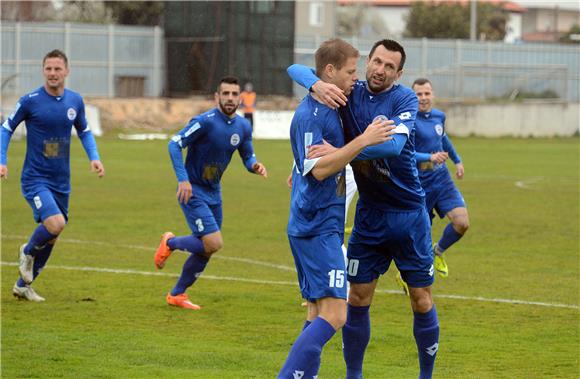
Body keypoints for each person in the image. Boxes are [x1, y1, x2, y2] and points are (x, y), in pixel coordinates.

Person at [288, 39, 440, 379]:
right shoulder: (348, 91)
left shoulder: (402, 99)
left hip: (408, 215)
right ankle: (353, 376)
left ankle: (425, 375)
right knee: (356, 297)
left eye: (390, 66)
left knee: (421, 299)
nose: (380, 70)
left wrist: (342, 151)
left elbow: (394, 145)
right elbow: (295, 69)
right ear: (368, 61)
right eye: (376, 61)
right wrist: (315, 83)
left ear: (399, 73)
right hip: (370, 216)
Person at [278, 38, 395, 379]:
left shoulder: (330, 103)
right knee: (336, 314)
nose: (354, 78)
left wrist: (314, 81)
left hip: (314, 225)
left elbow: (298, 69)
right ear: (329, 72)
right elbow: (320, 168)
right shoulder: (312, 115)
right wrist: (363, 141)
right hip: (316, 227)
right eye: (349, 71)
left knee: (317, 314)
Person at [154, 76, 267, 310]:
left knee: (206, 249)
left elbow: (247, 155)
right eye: (225, 94)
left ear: (240, 98)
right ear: (217, 97)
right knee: (213, 242)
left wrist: (255, 165)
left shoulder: (243, 126)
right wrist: (182, 180)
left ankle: (177, 294)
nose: (230, 98)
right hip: (192, 190)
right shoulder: (204, 121)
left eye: (234, 94)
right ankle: (171, 242)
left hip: (214, 192)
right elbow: (174, 143)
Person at [1, 49, 105, 302]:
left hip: (61, 181)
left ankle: (23, 286)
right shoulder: (30, 101)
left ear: (66, 71)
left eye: (58, 69)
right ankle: (26, 251)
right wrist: (2, 161)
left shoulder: (75, 101)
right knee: (55, 224)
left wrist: (94, 157)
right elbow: (6, 129)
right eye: (48, 68)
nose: (53, 73)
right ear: (43, 71)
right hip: (35, 178)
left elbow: (85, 131)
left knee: (54, 236)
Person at [412, 78, 469, 278]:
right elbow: (405, 152)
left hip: (442, 180)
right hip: (419, 185)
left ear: (433, 95)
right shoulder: (409, 120)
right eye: (419, 94)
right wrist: (429, 157)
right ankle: (406, 275)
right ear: (413, 96)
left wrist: (457, 160)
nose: (423, 98)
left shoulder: (438, 116)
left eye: (427, 93)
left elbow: (443, 139)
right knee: (418, 241)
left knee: (462, 223)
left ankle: (438, 252)